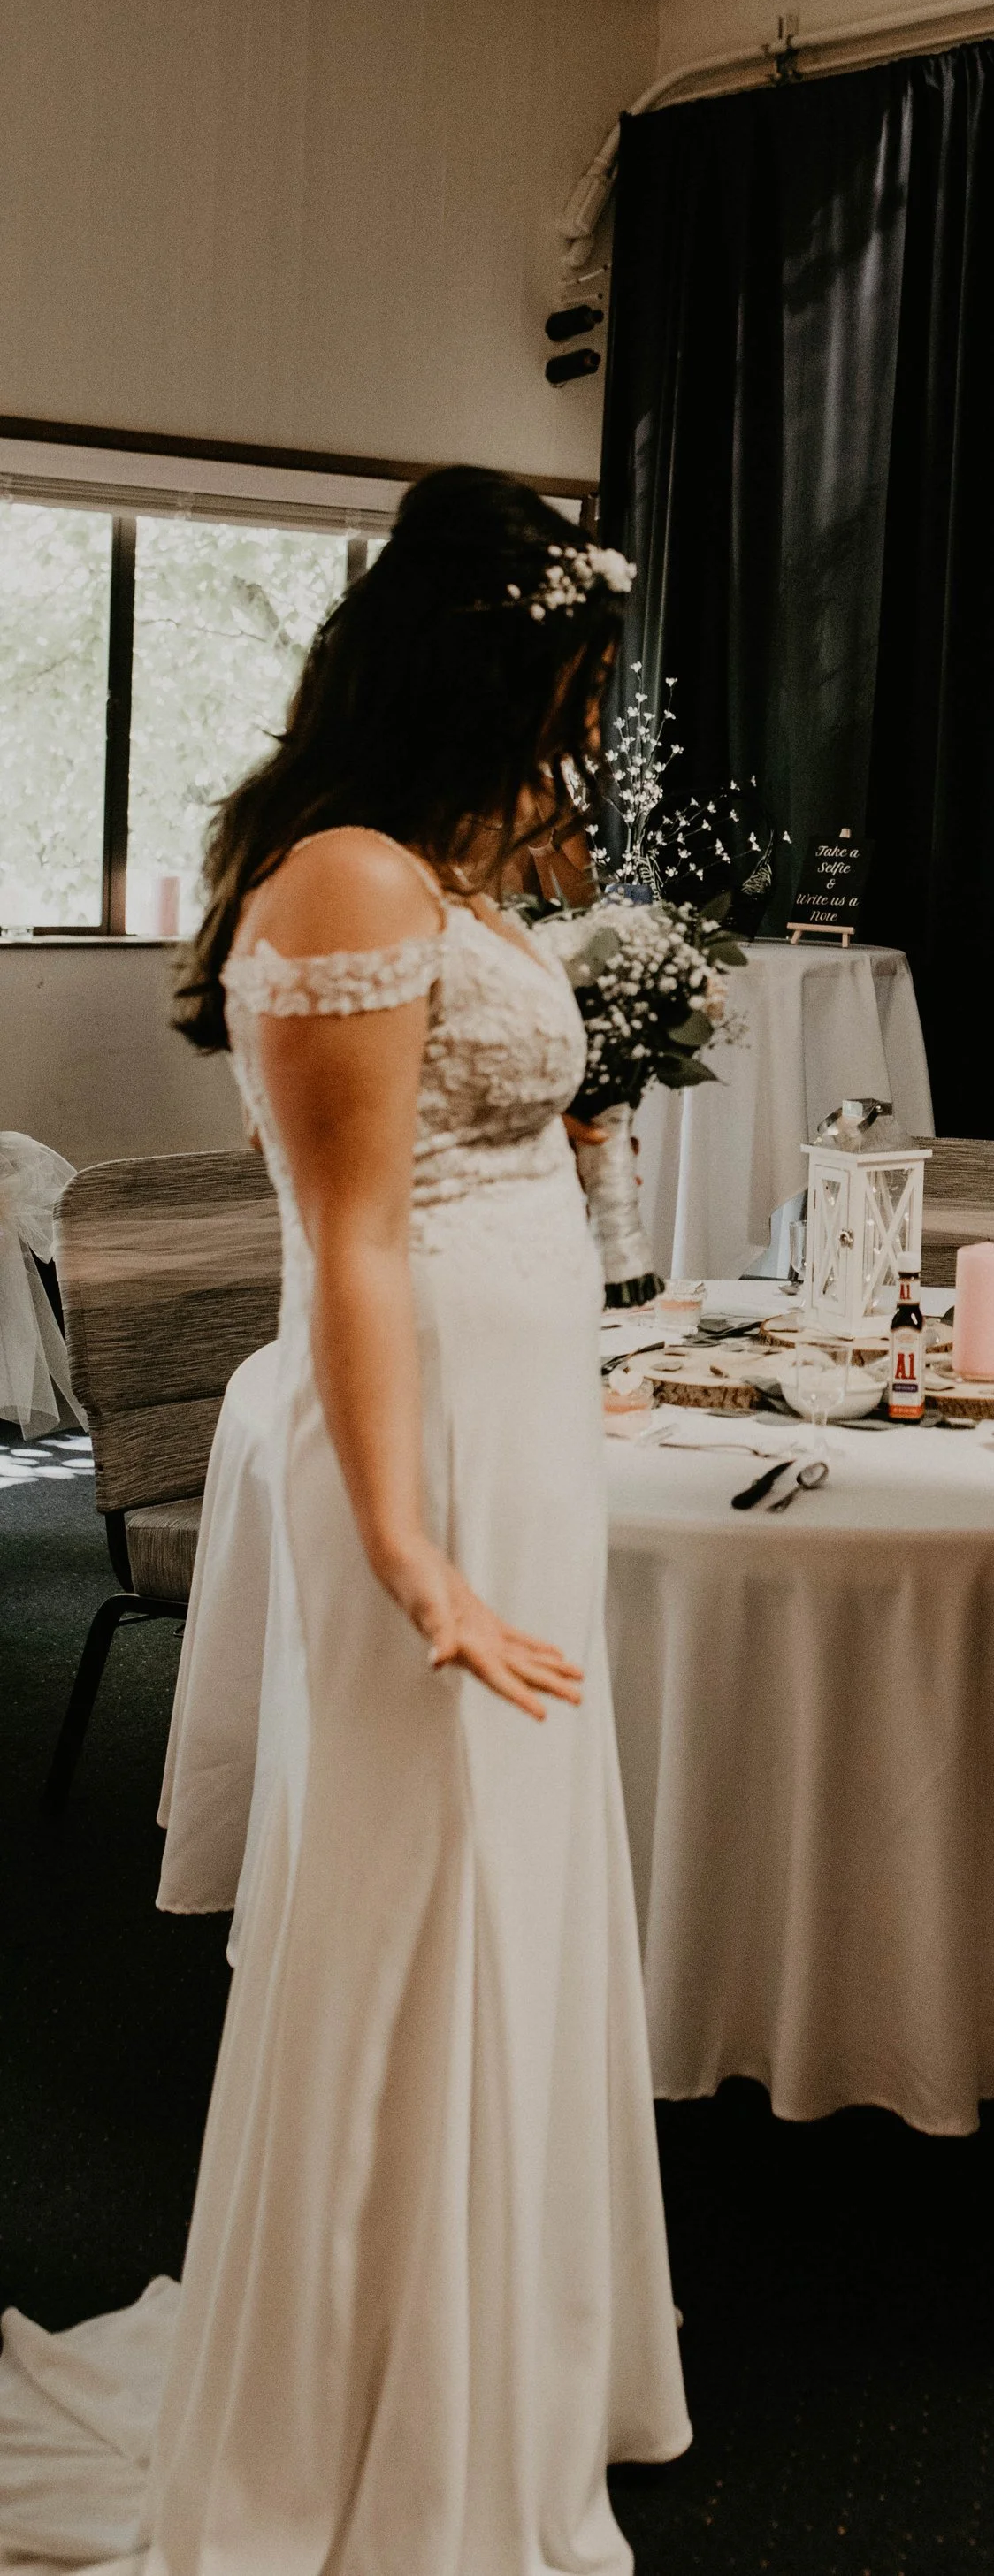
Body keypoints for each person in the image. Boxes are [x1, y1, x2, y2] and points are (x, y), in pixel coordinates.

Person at [0, 469, 690, 2572]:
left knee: (506, 1874)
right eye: (571, 682)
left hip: (512, 1419)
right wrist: (408, 1552)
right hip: (425, 1447)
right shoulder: (342, 882)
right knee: (416, 1888)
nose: (586, 724)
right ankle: (364, 2404)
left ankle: (487, 2356)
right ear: (481, 666)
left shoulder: (437, 879)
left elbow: (460, 1152)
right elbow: (351, 1241)